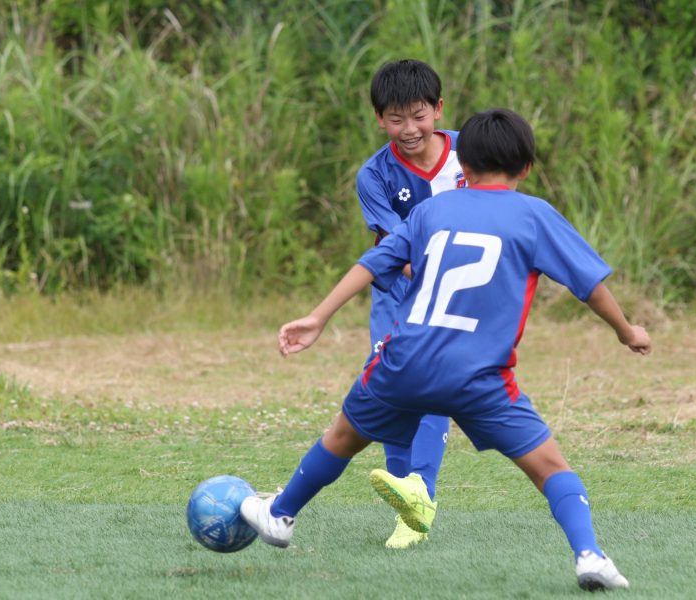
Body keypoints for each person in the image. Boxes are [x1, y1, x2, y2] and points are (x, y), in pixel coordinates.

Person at [241, 108, 651, 591]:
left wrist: (318, 317)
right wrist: (627, 331)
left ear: (465, 166)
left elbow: (373, 262)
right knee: (550, 469)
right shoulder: (535, 215)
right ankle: (589, 555)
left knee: (342, 438)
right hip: (480, 377)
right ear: (526, 168)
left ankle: (280, 514)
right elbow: (591, 288)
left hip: (404, 362)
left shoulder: (431, 211)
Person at [355, 59, 465, 549]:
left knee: (431, 384)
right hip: (398, 295)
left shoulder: (471, 152)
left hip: (454, 297)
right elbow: (395, 249)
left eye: (418, 116)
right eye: (396, 119)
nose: (409, 129)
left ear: (438, 109)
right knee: (392, 393)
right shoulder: (374, 175)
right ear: (380, 118)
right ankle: (409, 503)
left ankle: (419, 495)